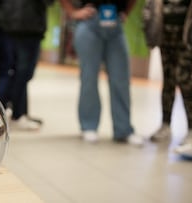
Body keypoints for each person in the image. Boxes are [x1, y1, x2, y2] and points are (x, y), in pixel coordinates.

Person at [59, 0, 143, 146]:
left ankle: (123, 129)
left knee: (121, 80)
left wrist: (126, 13)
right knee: (89, 78)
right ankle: (89, 125)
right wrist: (72, 12)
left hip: (115, 25)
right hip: (89, 22)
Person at [148, 0, 192, 144]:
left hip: (187, 37)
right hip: (165, 35)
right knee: (168, 79)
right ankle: (165, 124)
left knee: (183, 78)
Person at [2, 0, 54, 130]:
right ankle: (17, 114)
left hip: (17, 25)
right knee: (24, 72)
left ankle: (17, 111)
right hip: (27, 26)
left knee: (20, 72)